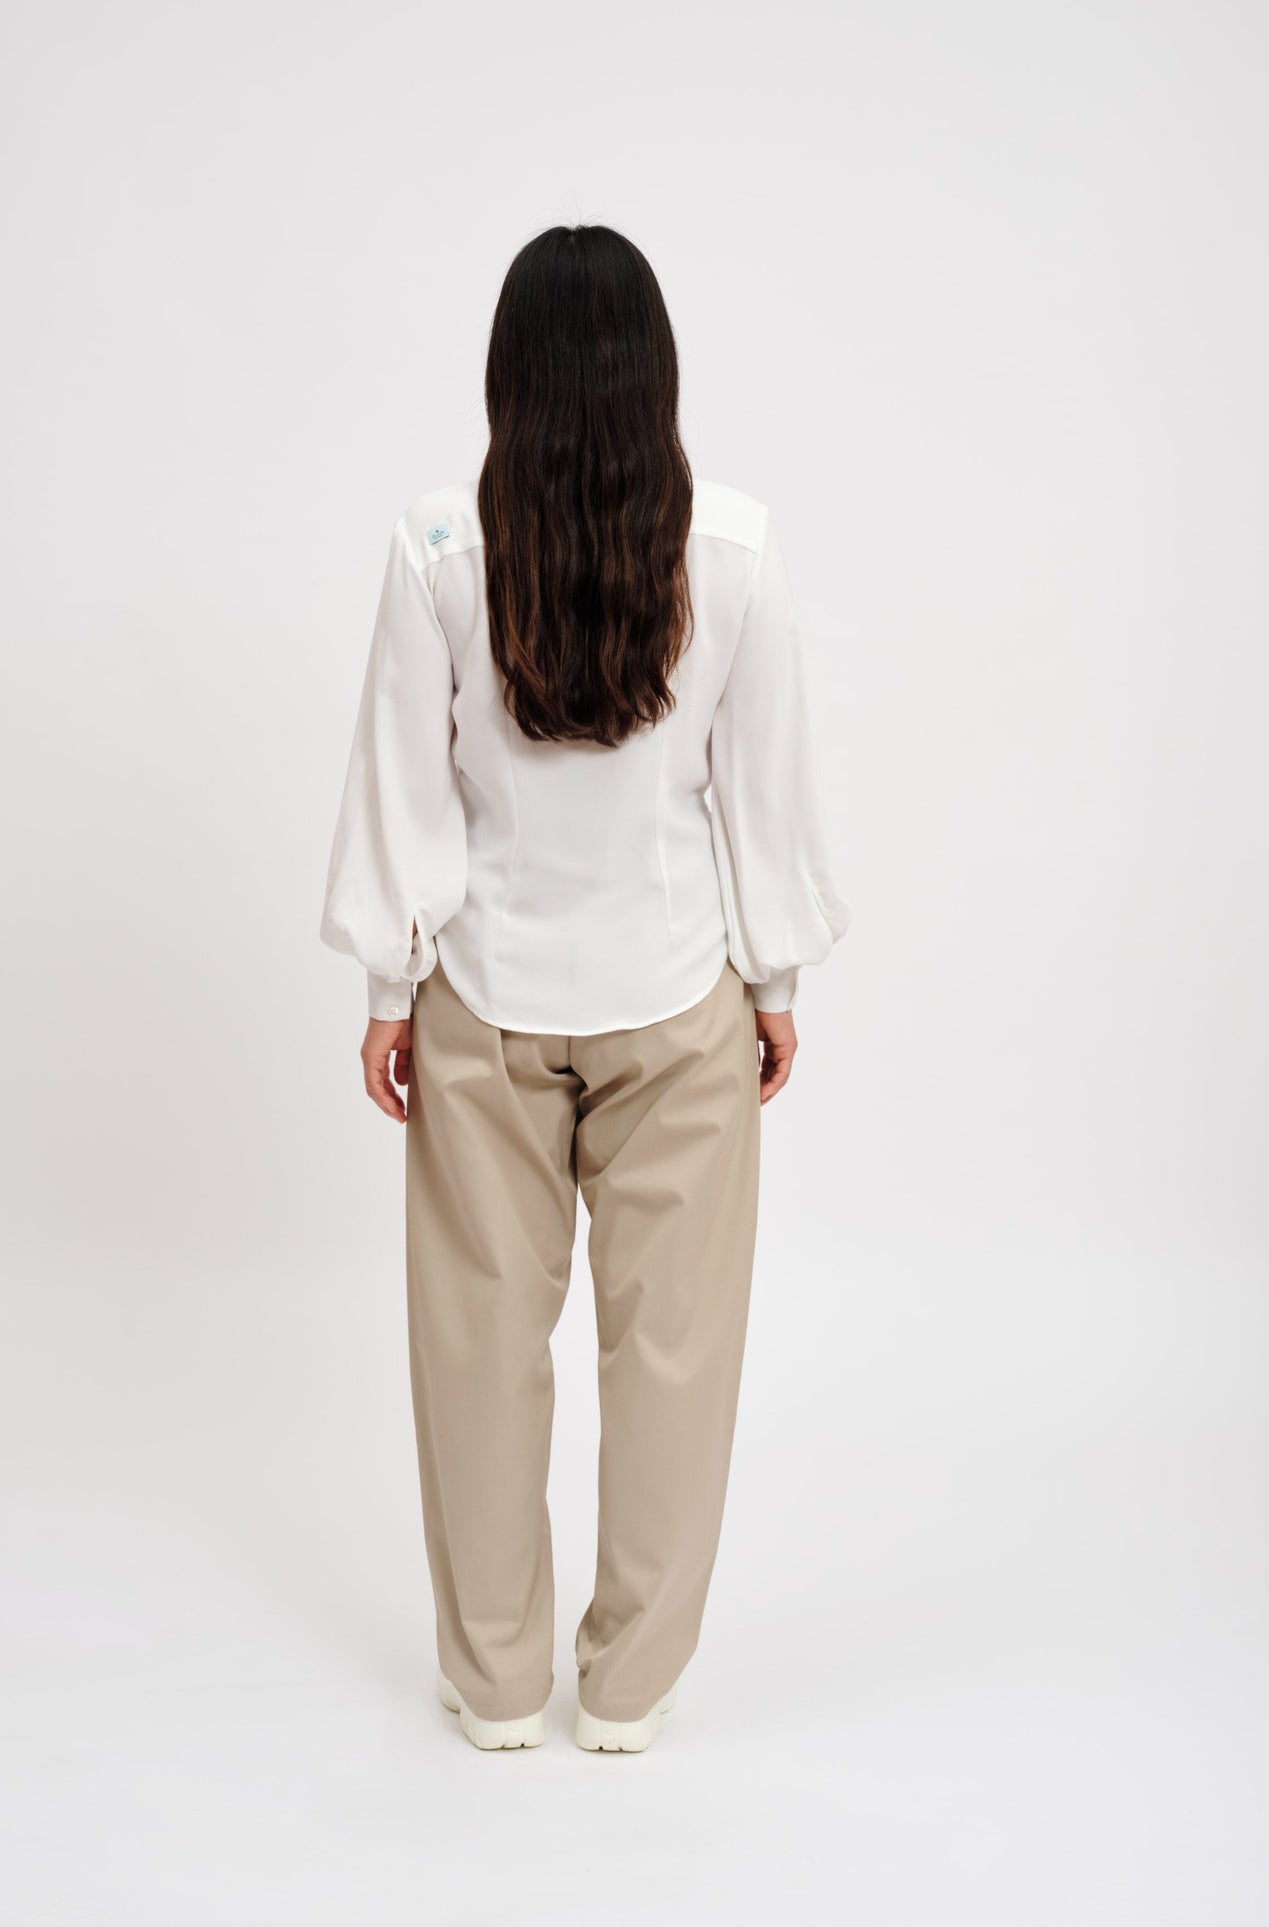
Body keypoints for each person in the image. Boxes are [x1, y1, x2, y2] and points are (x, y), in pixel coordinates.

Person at [320, 224, 851, 1753]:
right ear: (653, 372)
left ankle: (495, 1686)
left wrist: (387, 989)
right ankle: (628, 1691)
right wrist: (774, 978)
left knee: (476, 1349)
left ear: (509, 373)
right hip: (678, 1003)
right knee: (674, 1356)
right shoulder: (732, 544)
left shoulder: (438, 544)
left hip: (481, 1000)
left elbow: (402, 786)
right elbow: (764, 786)